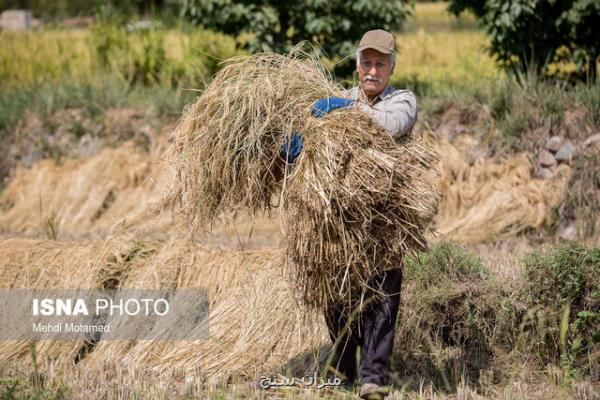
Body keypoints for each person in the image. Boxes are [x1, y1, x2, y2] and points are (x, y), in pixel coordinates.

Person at [281, 29, 417, 400]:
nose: (373, 71)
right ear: (357, 66)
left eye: (380, 64)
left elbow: (391, 125)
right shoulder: (339, 97)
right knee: (338, 295)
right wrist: (298, 142)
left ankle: (373, 378)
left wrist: (342, 112)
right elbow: (311, 142)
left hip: (384, 221)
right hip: (338, 221)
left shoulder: (401, 100)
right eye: (367, 63)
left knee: (382, 298)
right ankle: (342, 372)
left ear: (391, 68)